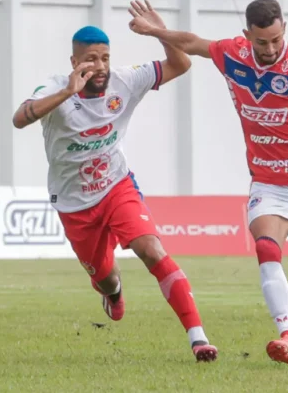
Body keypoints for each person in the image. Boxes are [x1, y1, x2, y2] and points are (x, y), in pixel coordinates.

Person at [126, 0, 288, 367]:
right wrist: (156, 31)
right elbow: (192, 42)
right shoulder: (232, 54)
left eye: (276, 39)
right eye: (262, 42)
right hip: (268, 181)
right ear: (247, 36)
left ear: (284, 29)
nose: (270, 49)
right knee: (266, 249)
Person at [11, 22, 218, 363]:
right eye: (91, 59)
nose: (100, 67)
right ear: (74, 61)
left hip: (116, 185)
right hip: (75, 204)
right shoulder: (54, 88)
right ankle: (114, 292)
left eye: (105, 58)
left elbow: (181, 64)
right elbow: (20, 119)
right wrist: (67, 93)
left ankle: (199, 338)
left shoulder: (125, 80)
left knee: (151, 249)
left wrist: (158, 33)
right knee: (106, 279)